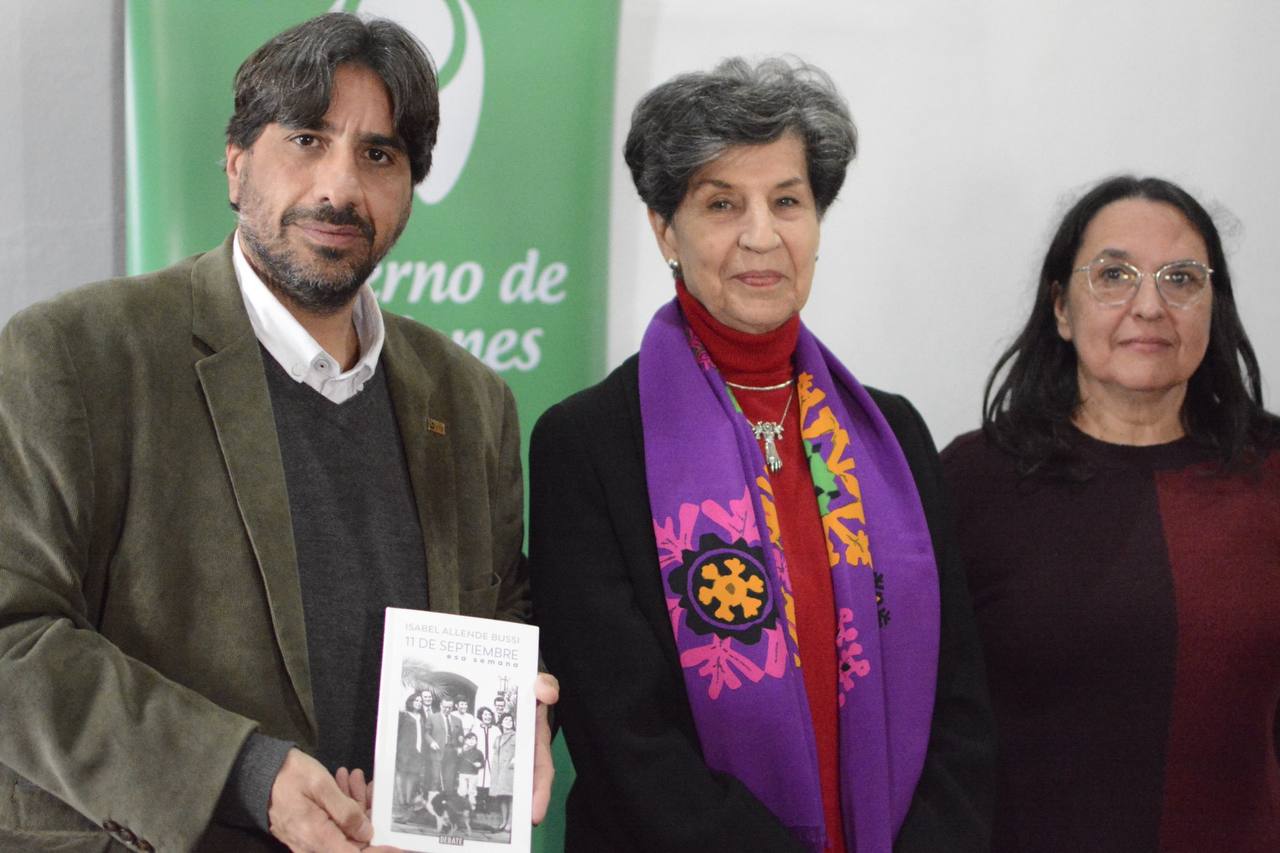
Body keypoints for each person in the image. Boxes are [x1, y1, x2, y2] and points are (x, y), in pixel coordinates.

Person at [0, 13, 557, 852]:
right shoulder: (78, 354)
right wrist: (245, 773)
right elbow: (13, 634)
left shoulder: (471, 398)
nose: (340, 187)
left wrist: (519, 711)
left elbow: (499, 607)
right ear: (235, 162)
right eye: (306, 139)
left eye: (380, 155)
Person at [529, 57, 994, 852]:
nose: (761, 235)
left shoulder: (895, 436)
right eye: (721, 203)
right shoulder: (588, 444)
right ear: (664, 228)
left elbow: (961, 710)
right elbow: (624, 740)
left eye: (787, 201)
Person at [941, 175, 1280, 852]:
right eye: (1114, 275)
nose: (1149, 306)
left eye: (1181, 279)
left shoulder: (1270, 473)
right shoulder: (973, 481)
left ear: (1213, 308)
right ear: (1061, 308)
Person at [396, 693, 426, 810]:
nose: (419, 703)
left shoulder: (422, 717)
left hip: (417, 750)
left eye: (420, 701)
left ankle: (408, 800)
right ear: (411, 701)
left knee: (413, 774)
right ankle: (401, 799)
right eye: (416, 700)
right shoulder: (404, 715)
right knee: (402, 773)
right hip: (404, 749)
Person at [490, 713, 519, 832]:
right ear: (501, 723)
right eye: (506, 720)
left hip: (510, 771)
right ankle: (503, 821)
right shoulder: (498, 738)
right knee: (502, 796)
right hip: (500, 770)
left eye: (510, 720)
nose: (508, 722)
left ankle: (510, 823)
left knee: (511, 796)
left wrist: (515, 760)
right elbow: (495, 755)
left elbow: (520, 751)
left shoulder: (516, 736)